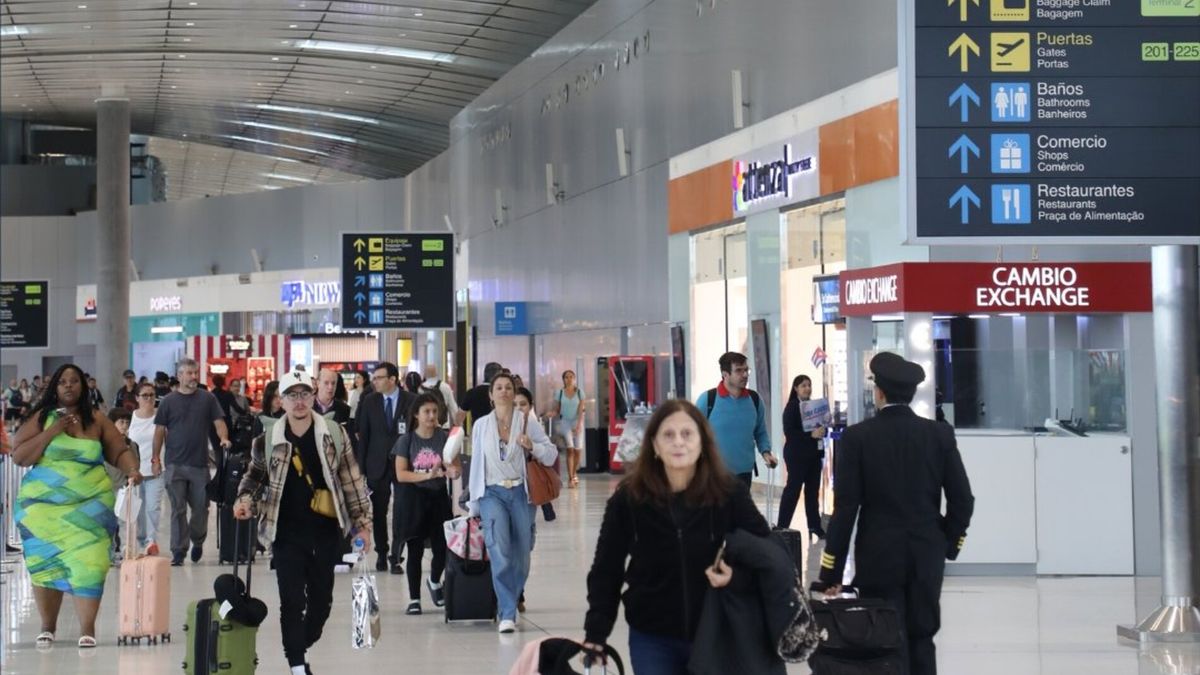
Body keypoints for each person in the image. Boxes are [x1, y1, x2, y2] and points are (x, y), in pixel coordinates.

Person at [582, 399, 770, 673]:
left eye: (687, 434)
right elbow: (606, 568)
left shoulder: (728, 494)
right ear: (655, 445)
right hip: (652, 635)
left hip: (716, 630)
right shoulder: (629, 498)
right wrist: (596, 632)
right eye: (668, 435)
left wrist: (736, 576)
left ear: (702, 442)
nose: (678, 442)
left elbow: (766, 551)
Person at [818, 352, 975, 675]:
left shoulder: (857, 438)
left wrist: (830, 572)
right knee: (923, 636)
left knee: (885, 635)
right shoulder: (939, 435)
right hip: (926, 554)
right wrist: (948, 542)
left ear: (879, 392)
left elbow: (846, 508)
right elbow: (963, 499)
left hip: (879, 556)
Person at [233, 369, 373, 675]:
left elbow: (352, 481)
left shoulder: (334, 434)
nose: (299, 401)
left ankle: (299, 644)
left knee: (321, 603)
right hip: (284, 532)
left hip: (325, 531)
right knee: (291, 600)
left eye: (304, 394)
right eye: (292, 395)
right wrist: (244, 501)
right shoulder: (266, 440)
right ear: (280, 401)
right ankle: (297, 664)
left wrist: (363, 524)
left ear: (313, 396)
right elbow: (253, 479)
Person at [10, 364, 143, 648]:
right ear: (55, 388)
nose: (68, 386)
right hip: (43, 511)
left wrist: (132, 469)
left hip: (90, 508)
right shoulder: (42, 417)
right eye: (63, 382)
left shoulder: (96, 419)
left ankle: (88, 628)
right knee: (46, 565)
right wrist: (53, 429)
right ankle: (47, 626)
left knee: (91, 564)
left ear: (83, 386)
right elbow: (19, 455)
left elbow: (118, 450)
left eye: (74, 381)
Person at [466, 372, 557, 633]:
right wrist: (474, 501)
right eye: (499, 387)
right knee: (499, 551)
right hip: (491, 494)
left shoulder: (527, 421)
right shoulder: (481, 425)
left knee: (522, 555)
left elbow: (550, 455)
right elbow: (477, 465)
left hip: (521, 493)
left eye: (508, 387)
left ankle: (512, 597)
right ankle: (507, 611)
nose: (504, 391)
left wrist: (533, 446)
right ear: (491, 395)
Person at [152, 358, 233, 566]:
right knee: (177, 509)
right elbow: (159, 431)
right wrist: (155, 459)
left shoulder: (207, 399)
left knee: (200, 509)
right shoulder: (168, 401)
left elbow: (219, 422)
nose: (194, 377)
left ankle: (197, 540)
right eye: (189, 373)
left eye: (195, 373)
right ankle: (178, 550)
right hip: (174, 464)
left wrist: (223, 438)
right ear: (179, 376)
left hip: (199, 465)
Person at [391, 392, 460, 615]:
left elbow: (456, 469)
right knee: (415, 549)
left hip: (438, 499)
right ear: (416, 415)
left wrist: (452, 471)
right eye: (426, 412)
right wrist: (427, 476)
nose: (431, 416)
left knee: (442, 548)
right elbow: (401, 474)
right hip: (414, 500)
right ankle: (414, 599)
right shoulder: (406, 440)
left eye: (434, 411)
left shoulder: (445, 438)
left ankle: (433, 580)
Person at [356, 362, 415, 573]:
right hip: (376, 464)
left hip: (403, 463)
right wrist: (361, 468)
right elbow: (363, 436)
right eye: (374, 378)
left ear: (392, 379)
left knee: (401, 510)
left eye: (380, 378)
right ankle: (382, 552)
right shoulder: (369, 401)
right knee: (379, 511)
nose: (375, 382)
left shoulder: (411, 400)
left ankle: (396, 555)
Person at [696, 352, 776, 486]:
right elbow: (691, 434)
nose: (745, 375)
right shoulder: (708, 400)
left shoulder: (755, 400)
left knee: (740, 508)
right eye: (739, 370)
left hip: (744, 474)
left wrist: (766, 453)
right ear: (725, 374)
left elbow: (760, 432)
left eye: (746, 370)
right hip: (714, 474)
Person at [777, 374, 827, 539]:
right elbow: (790, 432)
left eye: (809, 385)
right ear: (796, 388)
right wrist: (810, 435)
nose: (807, 388)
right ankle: (782, 526)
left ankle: (814, 526)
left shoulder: (814, 407)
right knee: (793, 490)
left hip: (814, 455)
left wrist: (822, 430)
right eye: (803, 385)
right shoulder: (792, 407)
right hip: (797, 455)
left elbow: (821, 428)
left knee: (812, 492)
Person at [128, 382, 164, 555]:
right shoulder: (131, 419)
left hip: (155, 471)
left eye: (152, 395)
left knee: (153, 507)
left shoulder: (161, 418)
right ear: (137, 398)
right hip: (135, 472)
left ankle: (151, 540)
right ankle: (141, 539)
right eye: (145, 395)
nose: (149, 398)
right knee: (139, 508)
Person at [515, 387, 556, 523]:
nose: (518, 408)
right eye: (514, 404)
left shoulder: (531, 424)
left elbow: (551, 455)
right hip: (497, 492)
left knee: (524, 536)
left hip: (525, 490)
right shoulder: (490, 424)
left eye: (523, 404)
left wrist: (532, 446)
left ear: (530, 406)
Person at [551, 369, 586, 488]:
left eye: (571, 377)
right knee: (570, 448)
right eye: (566, 377)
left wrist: (578, 426)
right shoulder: (560, 393)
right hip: (565, 421)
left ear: (574, 379)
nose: (569, 379)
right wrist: (551, 413)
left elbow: (581, 410)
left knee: (578, 450)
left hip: (577, 421)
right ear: (563, 379)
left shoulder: (580, 392)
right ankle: (571, 477)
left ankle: (575, 471)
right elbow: (557, 409)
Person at [421, 363, 459, 428]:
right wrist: (458, 425)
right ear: (436, 373)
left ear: (425, 374)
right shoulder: (445, 386)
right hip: (443, 426)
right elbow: (453, 408)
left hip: (425, 427)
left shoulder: (420, 389)